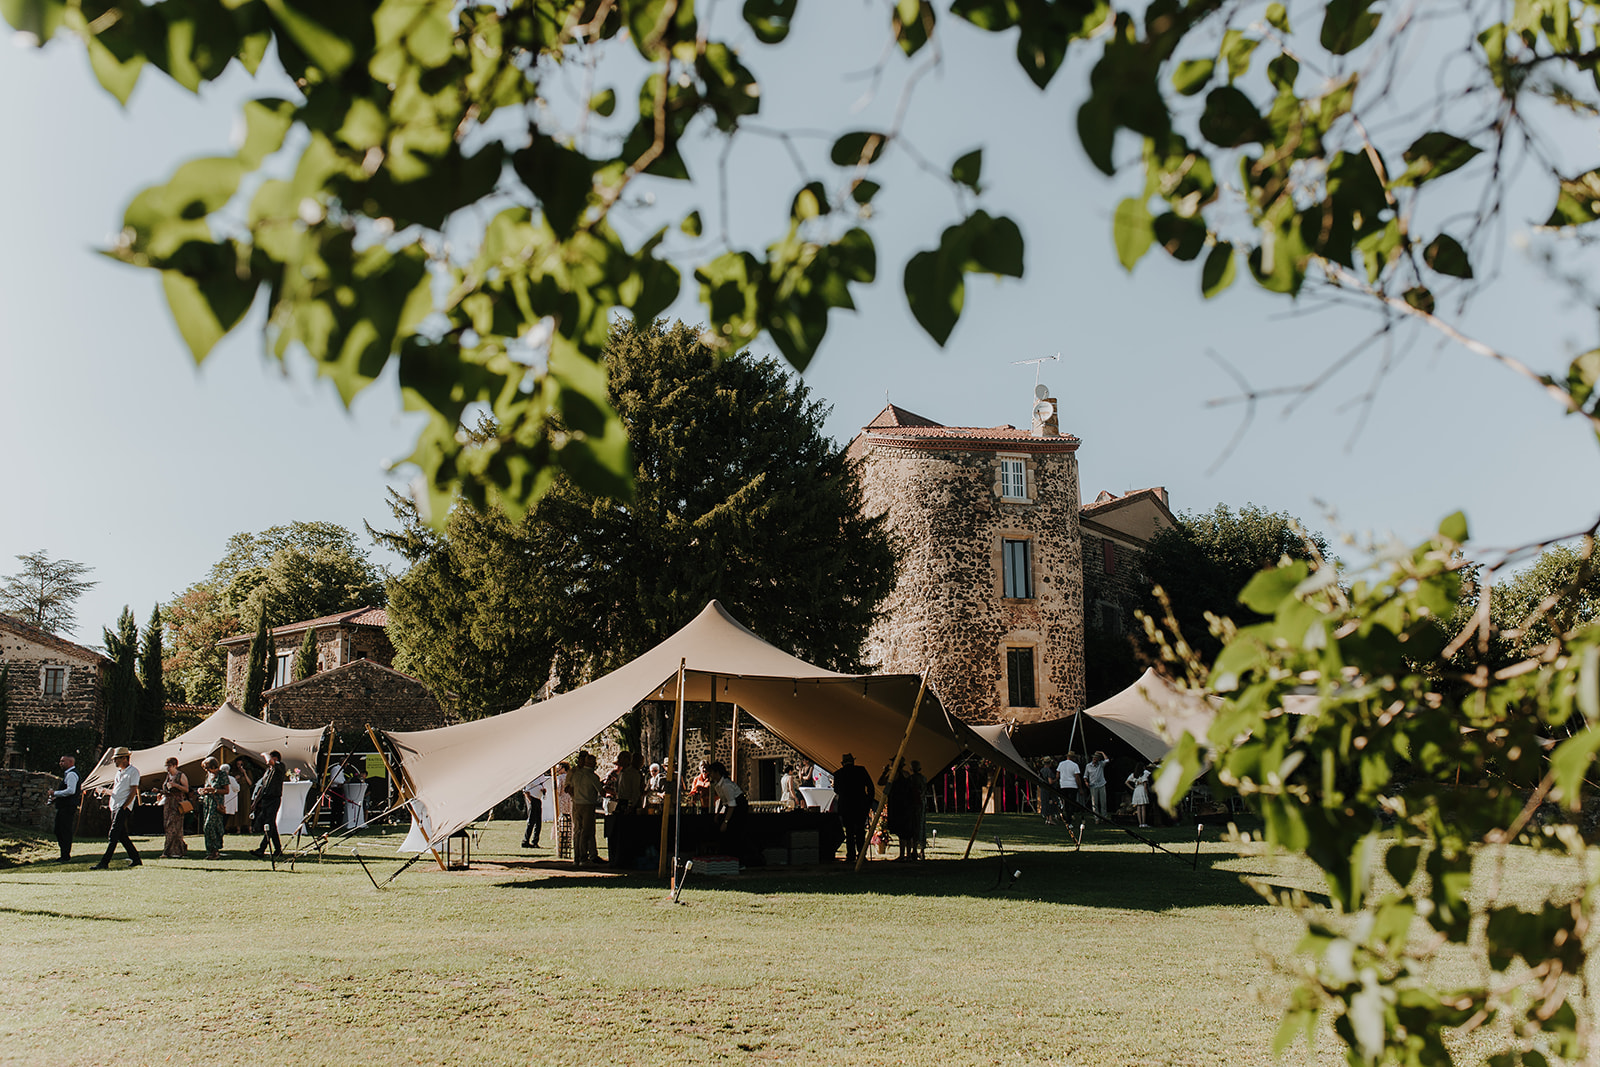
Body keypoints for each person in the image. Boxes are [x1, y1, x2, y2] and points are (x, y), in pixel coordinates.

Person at [93, 747, 142, 869]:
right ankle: (136, 859)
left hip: (122, 806)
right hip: (114, 806)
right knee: (122, 835)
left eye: (117, 759)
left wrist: (125, 806)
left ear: (124, 758)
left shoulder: (133, 771)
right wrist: (104, 791)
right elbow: (117, 791)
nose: (115, 761)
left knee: (113, 834)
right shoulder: (119, 773)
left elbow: (133, 791)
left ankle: (104, 862)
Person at [832, 752, 875, 863]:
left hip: (846, 806)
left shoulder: (838, 774)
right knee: (860, 831)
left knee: (849, 832)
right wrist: (868, 801)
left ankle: (850, 855)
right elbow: (871, 787)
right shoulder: (861, 771)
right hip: (860, 805)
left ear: (842, 763)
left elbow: (836, 790)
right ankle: (861, 855)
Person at [565, 751, 602, 867]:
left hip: (578, 802)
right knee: (583, 831)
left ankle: (589, 855)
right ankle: (581, 857)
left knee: (585, 831)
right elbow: (568, 788)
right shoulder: (577, 773)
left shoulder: (577, 774)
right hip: (583, 803)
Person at [706, 761, 747, 855]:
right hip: (730, 806)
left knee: (733, 831)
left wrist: (725, 822)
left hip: (739, 807)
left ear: (717, 773)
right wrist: (717, 813)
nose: (710, 774)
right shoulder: (717, 785)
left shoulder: (726, 785)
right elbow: (722, 799)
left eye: (711, 772)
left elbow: (732, 805)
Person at [250, 750, 285, 859]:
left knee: (269, 824)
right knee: (271, 825)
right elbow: (262, 787)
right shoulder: (268, 771)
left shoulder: (280, 767)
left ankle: (262, 849)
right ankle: (278, 849)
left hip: (274, 799)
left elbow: (270, 761)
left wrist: (264, 754)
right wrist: (255, 801)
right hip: (266, 799)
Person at [198, 757, 230, 859]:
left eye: (208, 768)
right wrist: (203, 791)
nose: (207, 770)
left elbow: (226, 790)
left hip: (216, 805)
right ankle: (210, 851)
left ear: (213, 766)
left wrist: (214, 790)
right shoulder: (208, 775)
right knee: (206, 828)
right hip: (207, 803)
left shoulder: (222, 775)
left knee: (210, 826)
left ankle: (215, 848)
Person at [49, 755, 79, 862]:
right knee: (59, 830)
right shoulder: (68, 774)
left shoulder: (71, 774)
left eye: (63, 761)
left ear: (71, 762)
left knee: (64, 831)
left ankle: (65, 855)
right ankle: (64, 854)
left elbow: (71, 791)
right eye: (60, 761)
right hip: (64, 806)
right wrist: (56, 798)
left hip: (68, 807)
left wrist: (55, 793)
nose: (60, 763)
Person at [159, 757, 190, 858]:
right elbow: (166, 790)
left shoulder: (181, 775)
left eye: (169, 766)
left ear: (175, 765)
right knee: (167, 826)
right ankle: (176, 849)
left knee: (174, 826)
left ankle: (169, 851)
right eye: (166, 766)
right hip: (168, 803)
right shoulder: (168, 776)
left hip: (177, 804)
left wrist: (176, 785)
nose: (167, 768)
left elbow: (186, 789)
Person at [520, 773, 547, 848]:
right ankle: (525, 841)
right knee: (531, 822)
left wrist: (543, 790)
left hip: (538, 799)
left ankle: (535, 841)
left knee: (538, 822)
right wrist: (530, 800)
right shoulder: (531, 776)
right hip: (533, 799)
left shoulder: (542, 776)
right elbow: (526, 790)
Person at [227, 759, 252, 834]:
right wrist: (236, 779)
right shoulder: (235, 773)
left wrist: (244, 773)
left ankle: (249, 827)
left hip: (245, 792)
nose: (239, 766)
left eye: (241, 764)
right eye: (238, 764)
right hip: (238, 793)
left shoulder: (247, 772)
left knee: (246, 808)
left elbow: (250, 783)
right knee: (238, 809)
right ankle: (238, 828)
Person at [1126, 762, 1153, 828]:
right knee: (1143, 807)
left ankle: (1140, 823)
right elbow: (1145, 786)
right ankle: (1144, 823)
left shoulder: (1134, 774)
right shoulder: (1144, 774)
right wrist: (1147, 794)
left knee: (1138, 807)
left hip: (1136, 790)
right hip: (1142, 789)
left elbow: (1126, 782)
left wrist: (1132, 788)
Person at [1086, 752, 1109, 819]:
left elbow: (1107, 760)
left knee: (1103, 802)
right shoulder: (1088, 766)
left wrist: (1102, 753)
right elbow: (1085, 775)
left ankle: (1104, 816)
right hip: (1093, 785)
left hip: (1101, 784)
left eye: (1097, 758)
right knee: (1094, 803)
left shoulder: (1101, 764)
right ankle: (1096, 817)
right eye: (1094, 758)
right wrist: (1086, 781)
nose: (1095, 759)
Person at [221, 763, 242, 833]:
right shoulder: (231, 778)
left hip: (223, 799)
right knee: (225, 817)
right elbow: (237, 788)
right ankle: (223, 829)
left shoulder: (219, 778)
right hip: (229, 799)